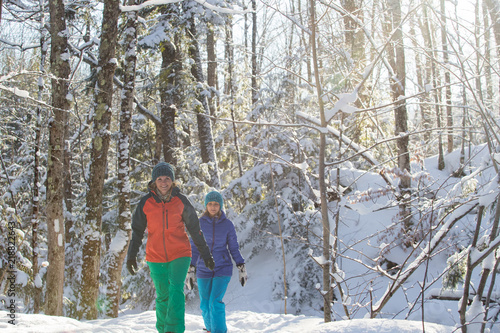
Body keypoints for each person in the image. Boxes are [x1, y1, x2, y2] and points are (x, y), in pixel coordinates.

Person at [126, 162, 215, 333]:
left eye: (167, 178)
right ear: (154, 181)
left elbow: (195, 230)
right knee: (163, 295)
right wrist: (131, 256)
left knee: (175, 290)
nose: (164, 182)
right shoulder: (146, 203)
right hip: (155, 255)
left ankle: (173, 331)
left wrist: (206, 255)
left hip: (180, 253)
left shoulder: (181, 201)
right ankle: (163, 329)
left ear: (173, 181)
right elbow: (137, 230)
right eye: (159, 178)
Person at [186, 190, 247, 333]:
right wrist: (191, 268)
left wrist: (241, 266)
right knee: (205, 305)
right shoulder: (198, 223)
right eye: (210, 204)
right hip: (203, 268)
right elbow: (194, 247)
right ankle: (210, 330)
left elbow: (233, 247)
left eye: (216, 204)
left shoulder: (227, 225)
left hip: (222, 268)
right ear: (206, 206)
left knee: (215, 302)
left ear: (220, 206)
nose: (213, 207)